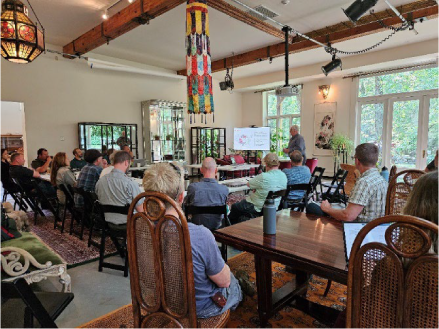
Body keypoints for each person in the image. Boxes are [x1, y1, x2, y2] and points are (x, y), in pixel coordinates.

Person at [142, 162, 242, 318]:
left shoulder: (140, 231)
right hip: (198, 309)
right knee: (232, 281)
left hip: (158, 302)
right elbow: (224, 282)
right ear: (181, 197)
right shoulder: (200, 235)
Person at [306, 143, 387, 222]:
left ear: (357, 161)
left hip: (360, 229)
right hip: (377, 226)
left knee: (311, 207)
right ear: (375, 160)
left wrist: (328, 209)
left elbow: (348, 216)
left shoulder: (364, 182)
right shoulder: (382, 180)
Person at [229, 153, 287, 225]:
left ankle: (230, 228)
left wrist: (256, 187)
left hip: (257, 206)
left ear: (266, 164)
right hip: (275, 206)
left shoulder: (264, 176)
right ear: (278, 163)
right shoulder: (283, 175)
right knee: (241, 214)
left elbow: (248, 184)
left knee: (235, 207)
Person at [95, 151, 143, 229]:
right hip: (129, 224)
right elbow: (141, 210)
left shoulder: (100, 181)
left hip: (107, 221)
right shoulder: (130, 183)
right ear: (126, 163)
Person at [184, 157, 229, 230]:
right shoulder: (224, 189)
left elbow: (187, 205)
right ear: (216, 170)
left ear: (201, 170)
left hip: (196, 227)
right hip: (217, 227)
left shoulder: (192, 188)